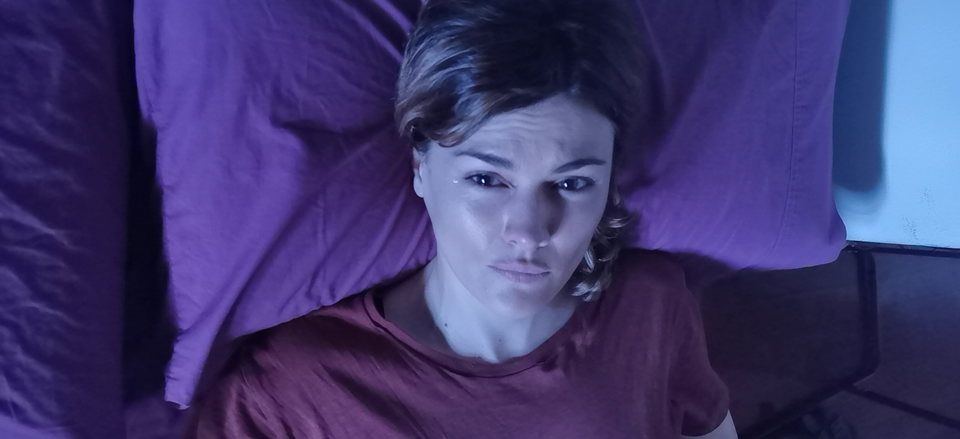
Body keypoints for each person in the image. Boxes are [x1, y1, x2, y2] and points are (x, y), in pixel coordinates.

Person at [183, 0, 736, 437]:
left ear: (610, 180)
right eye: (487, 180)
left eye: (571, 184)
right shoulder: (293, 386)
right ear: (420, 166)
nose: (528, 231)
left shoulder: (651, 307)